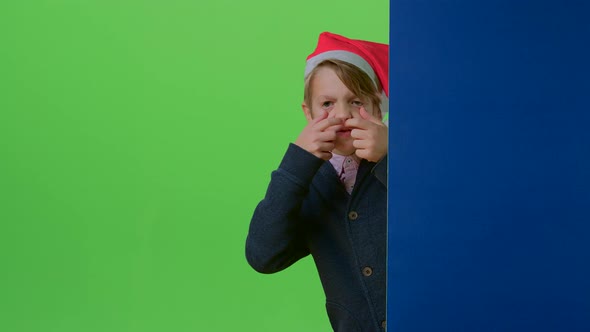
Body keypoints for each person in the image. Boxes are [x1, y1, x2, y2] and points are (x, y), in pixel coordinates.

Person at [245, 32, 389, 332]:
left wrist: (393, 156)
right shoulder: (307, 182)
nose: (342, 114)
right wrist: (296, 163)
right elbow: (263, 256)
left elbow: (442, 225)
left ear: (378, 108)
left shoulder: (409, 163)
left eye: (357, 101)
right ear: (307, 113)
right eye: (326, 103)